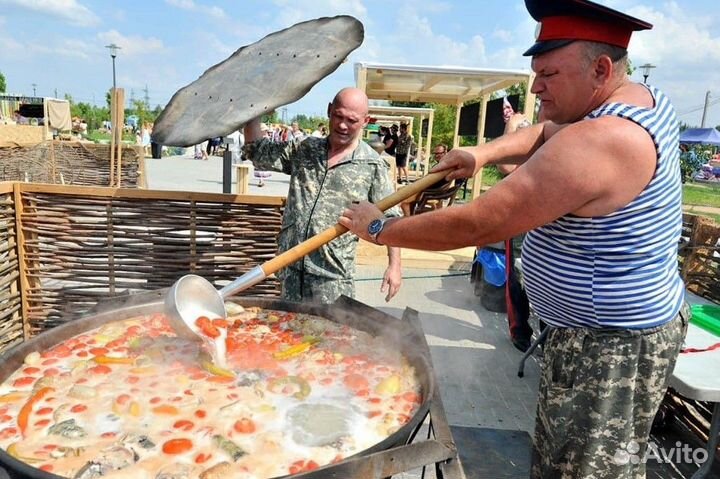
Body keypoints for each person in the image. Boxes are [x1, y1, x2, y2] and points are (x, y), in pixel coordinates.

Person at [340, 1, 688, 477]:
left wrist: (378, 229)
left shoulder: (602, 140)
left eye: (547, 73)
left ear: (601, 68)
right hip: (612, 331)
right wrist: (480, 154)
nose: (536, 86)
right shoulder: (634, 97)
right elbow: (547, 128)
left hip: (608, 347)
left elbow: (478, 223)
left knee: (581, 470)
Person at [242, 87, 403, 304]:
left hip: (332, 277)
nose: (343, 125)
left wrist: (394, 266)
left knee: (331, 335)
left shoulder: (372, 165)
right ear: (329, 110)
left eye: (352, 120)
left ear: (365, 122)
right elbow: (258, 152)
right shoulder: (305, 148)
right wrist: (253, 108)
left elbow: (392, 218)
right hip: (290, 268)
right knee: (287, 332)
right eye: (338, 116)